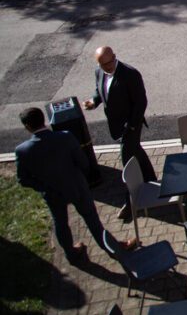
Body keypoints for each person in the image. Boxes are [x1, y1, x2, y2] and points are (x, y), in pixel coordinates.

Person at [15, 107, 140, 265]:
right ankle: (113, 249)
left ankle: (71, 253)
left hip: (52, 194)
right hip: (77, 187)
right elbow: (83, 162)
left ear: (27, 126)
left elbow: (23, 179)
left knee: (60, 223)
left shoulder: (22, 151)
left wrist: (44, 186)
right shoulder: (65, 137)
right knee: (92, 221)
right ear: (43, 120)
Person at [83, 46, 155, 219]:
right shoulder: (99, 72)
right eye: (103, 65)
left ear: (114, 57)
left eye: (109, 63)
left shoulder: (130, 74)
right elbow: (101, 90)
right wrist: (94, 101)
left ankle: (129, 201)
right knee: (135, 150)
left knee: (127, 159)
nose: (107, 67)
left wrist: (131, 126)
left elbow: (140, 103)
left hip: (130, 126)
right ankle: (151, 178)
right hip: (116, 124)